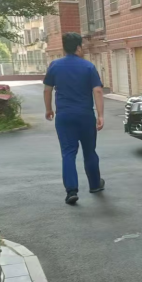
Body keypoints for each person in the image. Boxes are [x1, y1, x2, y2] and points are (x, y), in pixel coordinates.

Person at [43, 33, 106, 205]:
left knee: (68, 153)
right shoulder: (88, 66)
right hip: (85, 116)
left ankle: (71, 191)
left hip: (64, 116)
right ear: (78, 47)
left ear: (64, 47)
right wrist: (100, 115)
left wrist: (48, 109)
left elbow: (47, 89)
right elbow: (98, 90)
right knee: (89, 151)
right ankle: (95, 184)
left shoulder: (55, 65)